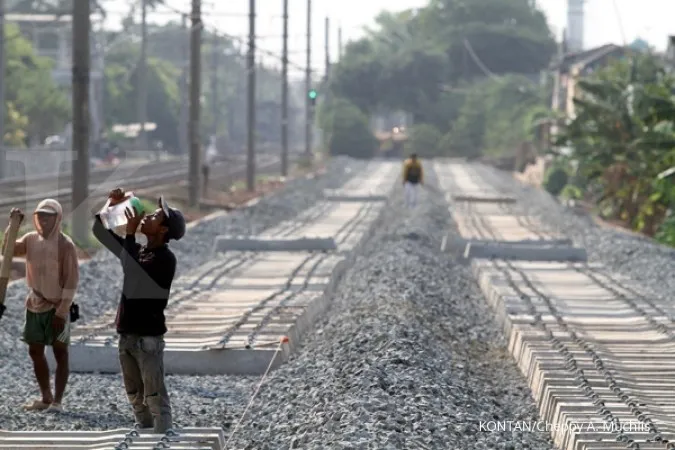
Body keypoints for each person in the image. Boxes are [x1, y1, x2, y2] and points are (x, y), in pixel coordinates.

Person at [92, 189, 185, 433]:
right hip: (127, 334)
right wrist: (110, 207)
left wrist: (131, 233)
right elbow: (100, 232)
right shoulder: (139, 251)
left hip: (148, 338)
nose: (146, 216)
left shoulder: (165, 258)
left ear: (163, 230)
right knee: (134, 394)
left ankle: (163, 435)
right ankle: (145, 432)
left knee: (154, 394)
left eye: (154, 217)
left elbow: (133, 270)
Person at [1, 199, 79, 412]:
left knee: (60, 352)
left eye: (48, 216)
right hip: (34, 304)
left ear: (57, 218)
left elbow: (71, 281)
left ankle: (58, 402)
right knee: (35, 351)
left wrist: (62, 312)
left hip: (56, 307)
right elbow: (8, 250)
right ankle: (46, 396)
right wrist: (13, 225)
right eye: (40, 216)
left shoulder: (65, 245)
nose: (44, 220)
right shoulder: (30, 239)